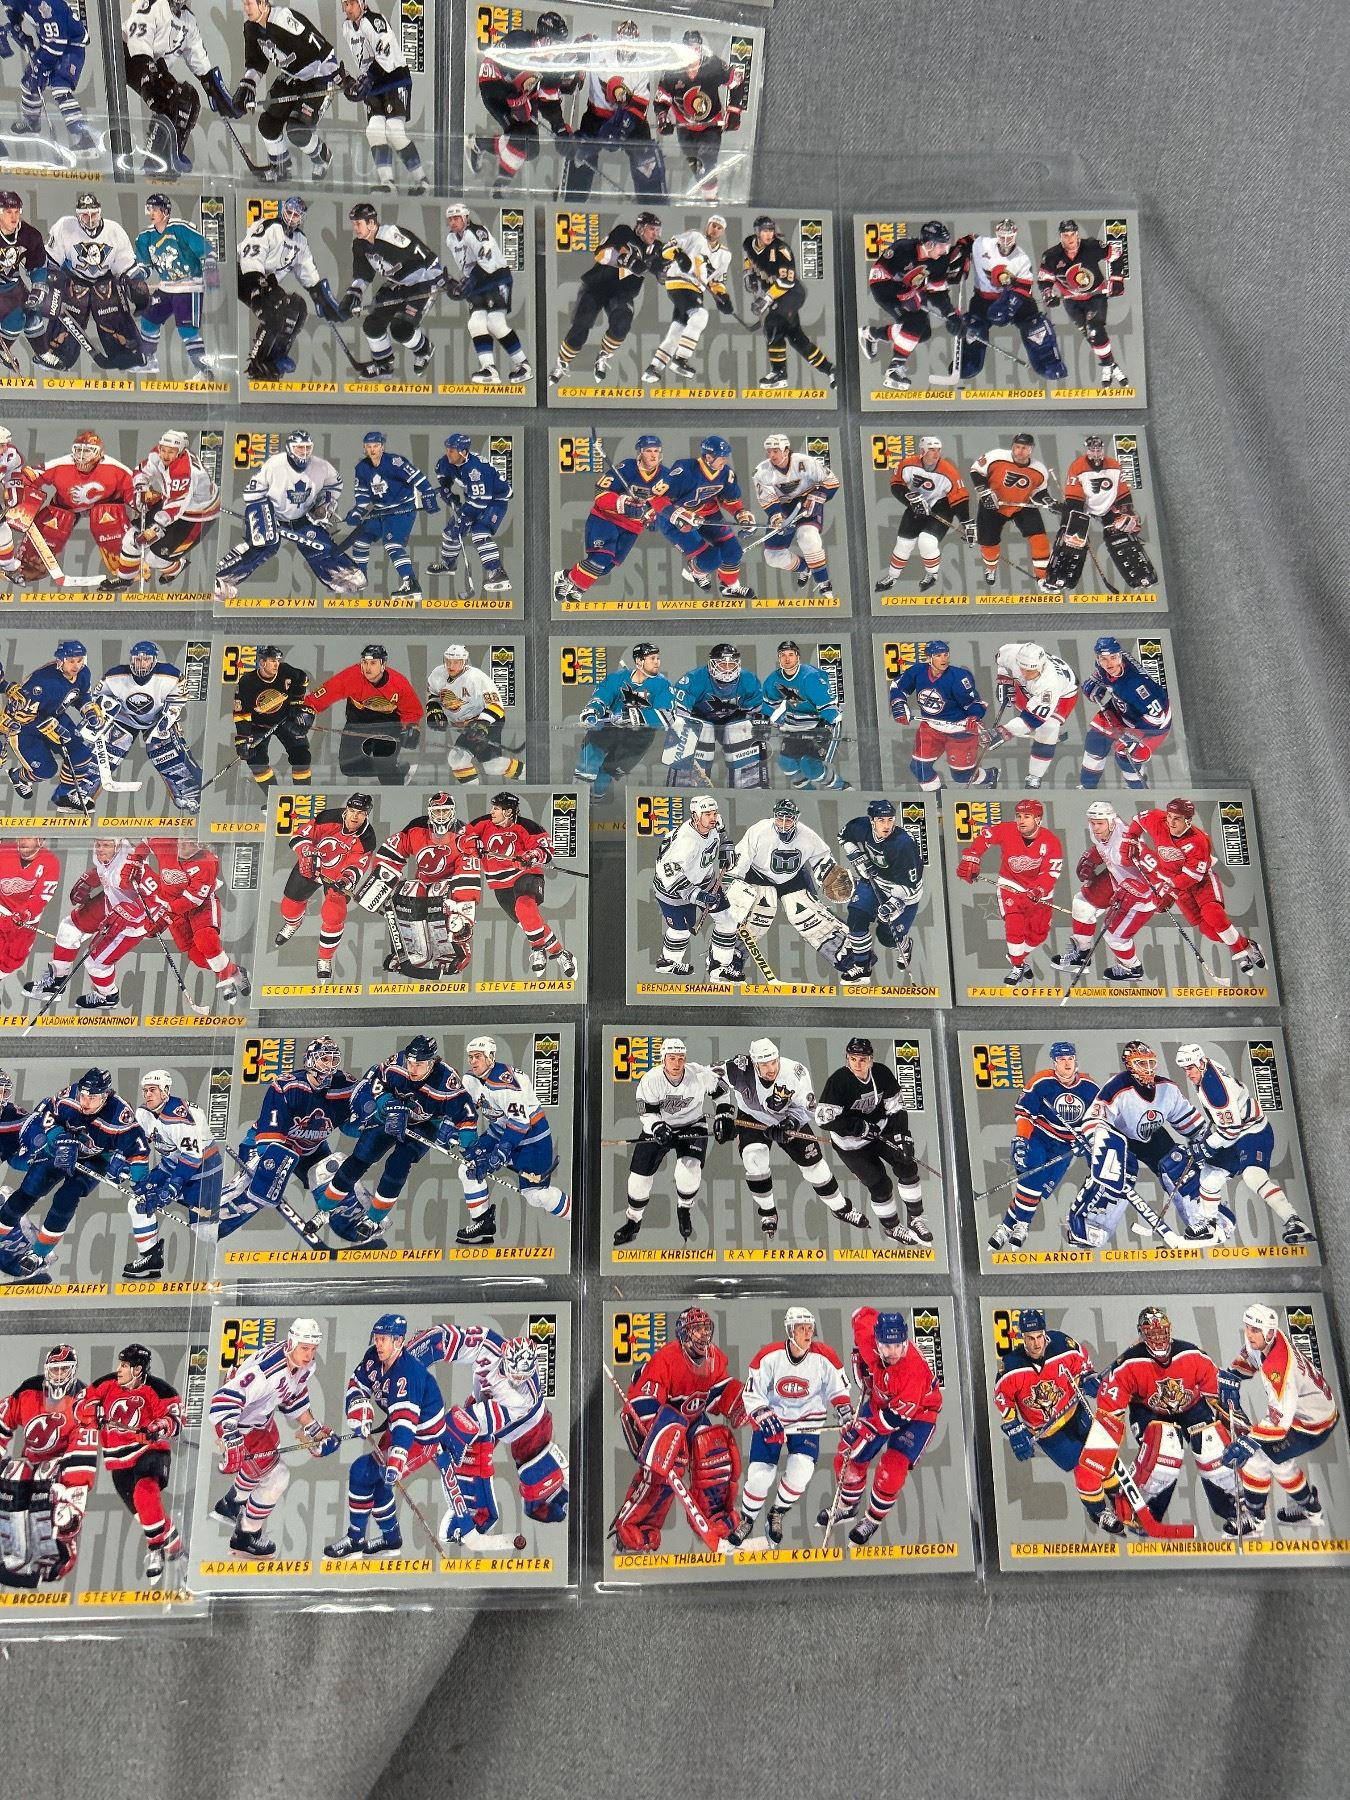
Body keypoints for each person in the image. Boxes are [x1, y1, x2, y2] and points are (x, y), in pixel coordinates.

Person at [208, 1317, 339, 1559]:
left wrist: (313, 1428)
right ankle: (245, 1537)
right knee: (278, 1476)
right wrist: (230, 1436)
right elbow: (223, 1400)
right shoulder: (267, 1372)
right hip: (240, 1425)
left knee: (266, 1459)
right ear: (291, 1343)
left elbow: (292, 1396)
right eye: (304, 1348)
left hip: (261, 1417)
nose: (309, 1355)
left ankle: (232, 1502)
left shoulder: (301, 1363)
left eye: (313, 1349)